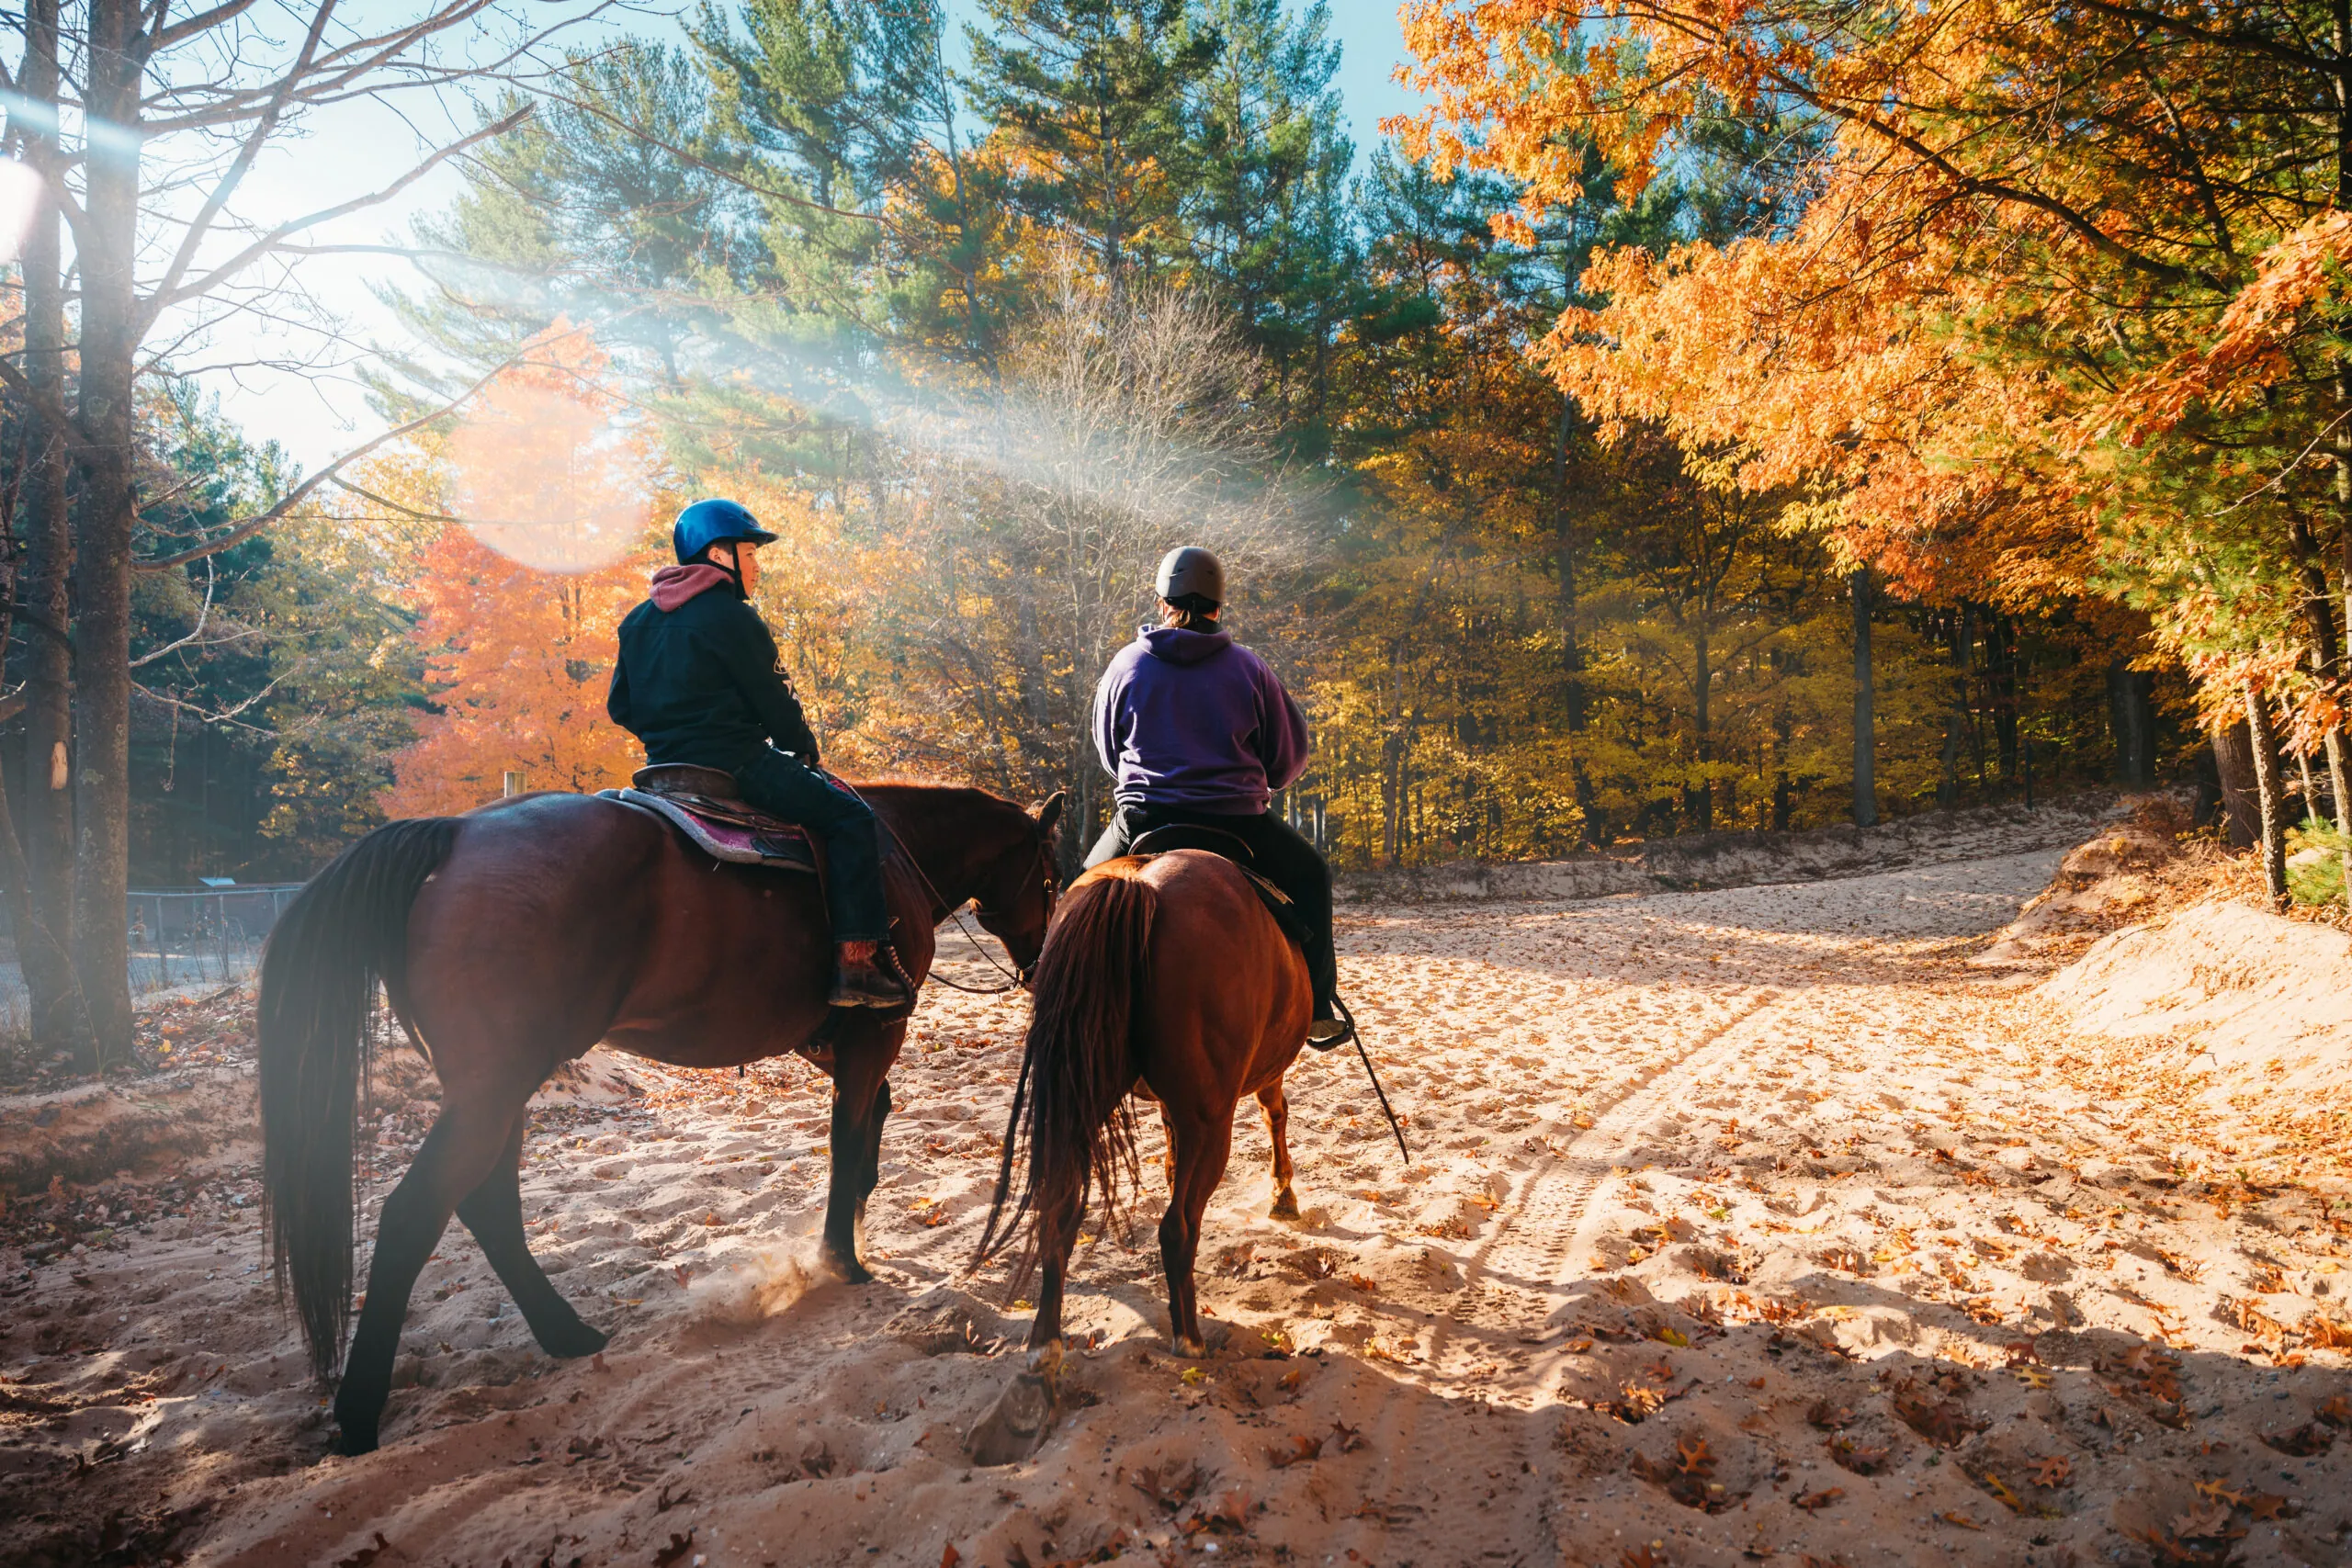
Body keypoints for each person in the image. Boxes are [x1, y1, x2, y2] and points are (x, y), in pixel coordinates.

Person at [608, 499, 908, 1009]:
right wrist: (803, 746)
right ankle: (856, 963)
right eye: (750, 552)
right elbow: (775, 703)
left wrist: (667, 735)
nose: (757, 565)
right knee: (851, 818)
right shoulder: (733, 617)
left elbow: (621, 706)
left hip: (660, 772)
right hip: (735, 764)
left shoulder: (637, 621)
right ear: (719, 554)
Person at [1088, 546, 1348, 1043]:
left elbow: (1109, 750)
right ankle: (1316, 1006)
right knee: (1313, 877)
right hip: (1237, 823)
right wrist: (1261, 784)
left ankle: (1058, 990)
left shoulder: (1125, 665)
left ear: (1162, 599)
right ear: (1218, 605)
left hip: (1143, 819)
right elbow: (1288, 758)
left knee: (1078, 895)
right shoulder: (1249, 668)